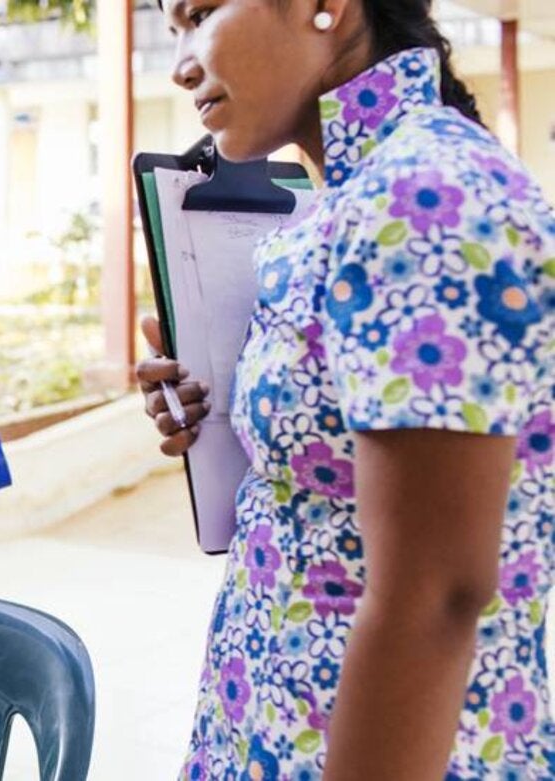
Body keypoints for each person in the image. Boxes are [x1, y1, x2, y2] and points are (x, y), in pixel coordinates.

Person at [138, 1, 554, 778]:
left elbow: (435, 599)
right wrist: (222, 400)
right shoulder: (346, 198)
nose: (182, 62)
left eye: (198, 14)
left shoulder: (426, 193)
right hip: (277, 718)